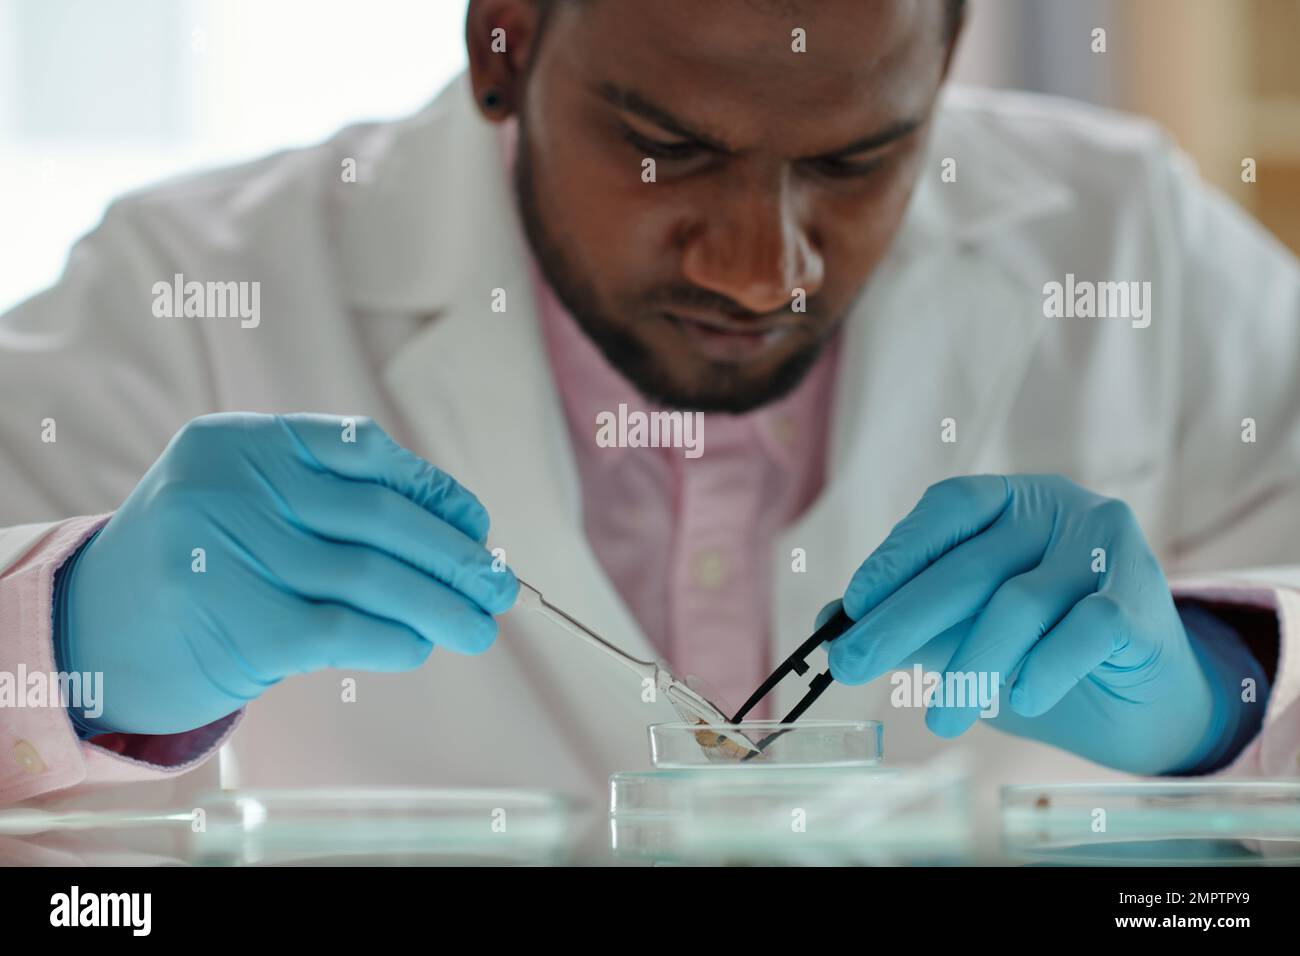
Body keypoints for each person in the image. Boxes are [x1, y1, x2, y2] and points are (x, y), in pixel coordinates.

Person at [1, 0, 1297, 817]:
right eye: (665, 147)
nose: (759, 269)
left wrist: (1223, 689)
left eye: (853, 160)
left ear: (950, 51)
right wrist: (72, 643)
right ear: (501, 44)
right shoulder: (191, 290)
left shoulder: (1134, 240)